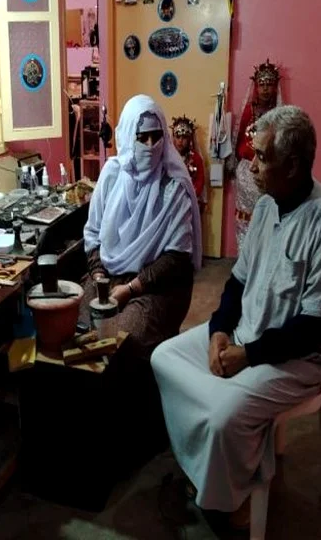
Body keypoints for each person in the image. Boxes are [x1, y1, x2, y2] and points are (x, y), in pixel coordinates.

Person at [151, 106, 321, 531]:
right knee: (163, 358)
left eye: (262, 156)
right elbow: (237, 284)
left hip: (296, 359)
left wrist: (248, 356)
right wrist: (219, 332)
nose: (253, 163)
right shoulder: (267, 205)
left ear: (293, 164)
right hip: (245, 335)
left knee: (225, 415)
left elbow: (313, 328)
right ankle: (209, 471)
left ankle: (226, 504)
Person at [81, 94, 203, 471]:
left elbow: (177, 259)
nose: (150, 146)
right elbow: (94, 234)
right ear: (125, 136)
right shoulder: (113, 176)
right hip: (113, 274)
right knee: (75, 324)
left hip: (159, 287)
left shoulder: (174, 186)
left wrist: (130, 289)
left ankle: (137, 436)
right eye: (142, 137)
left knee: (121, 342)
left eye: (156, 137)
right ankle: (88, 427)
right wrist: (100, 276)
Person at [229, 59, 283, 252]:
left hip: (267, 172)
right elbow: (238, 139)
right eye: (262, 84)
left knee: (267, 215)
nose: (266, 89)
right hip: (246, 173)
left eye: (269, 84)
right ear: (256, 86)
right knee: (244, 217)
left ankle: (263, 255)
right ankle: (245, 255)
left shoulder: (279, 114)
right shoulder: (249, 111)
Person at [171, 115, 206, 210]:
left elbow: (200, 180)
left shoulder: (195, 158)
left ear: (189, 139)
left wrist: (189, 195)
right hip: (170, 202)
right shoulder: (169, 157)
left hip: (190, 202)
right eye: (177, 137)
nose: (180, 141)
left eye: (184, 137)